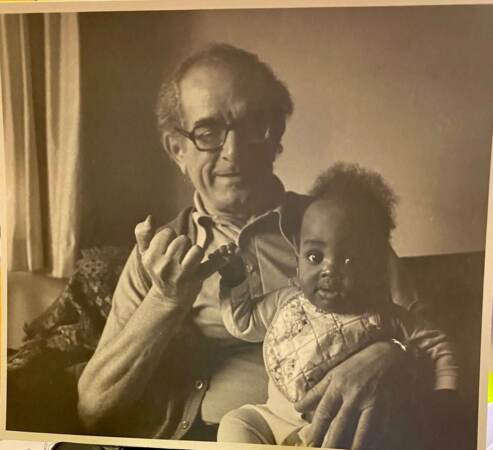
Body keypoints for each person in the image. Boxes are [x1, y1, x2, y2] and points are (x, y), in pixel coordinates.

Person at [77, 43, 439, 448]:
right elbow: (95, 407)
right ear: (177, 149)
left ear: (276, 135)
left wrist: (391, 354)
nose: (234, 151)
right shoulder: (158, 255)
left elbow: (430, 338)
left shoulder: (339, 227)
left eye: (253, 125)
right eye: (208, 132)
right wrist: (165, 299)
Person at [214, 163, 459, 448]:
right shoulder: (287, 302)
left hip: (341, 425)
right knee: (237, 422)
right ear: (298, 258)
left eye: (349, 260)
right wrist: (235, 279)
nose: (329, 270)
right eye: (315, 257)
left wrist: (446, 396)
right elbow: (243, 322)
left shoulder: (386, 317)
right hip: (276, 418)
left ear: (376, 266)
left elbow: (439, 346)